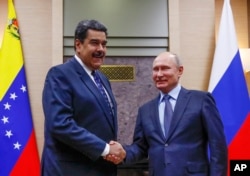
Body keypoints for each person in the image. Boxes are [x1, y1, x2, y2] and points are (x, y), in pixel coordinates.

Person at [106, 51, 228, 175]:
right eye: (155, 69)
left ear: (180, 71)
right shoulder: (145, 110)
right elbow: (141, 148)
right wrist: (123, 152)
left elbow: (218, 146)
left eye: (165, 68)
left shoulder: (201, 100)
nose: (159, 74)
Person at [41, 19, 125, 176]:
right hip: (70, 170)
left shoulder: (103, 79)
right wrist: (105, 149)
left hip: (99, 169)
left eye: (104, 44)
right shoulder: (60, 74)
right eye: (94, 43)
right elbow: (60, 124)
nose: (101, 49)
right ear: (78, 45)